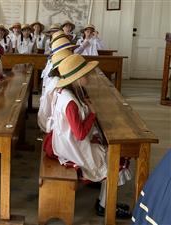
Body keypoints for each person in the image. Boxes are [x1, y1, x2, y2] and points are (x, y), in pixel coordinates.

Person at [44, 54, 132, 219]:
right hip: (71, 147)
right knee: (114, 159)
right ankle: (105, 206)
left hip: (65, 141)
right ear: (76, 78)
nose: (89, 75)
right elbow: (80, 134)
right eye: (86, 73)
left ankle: (106, 201)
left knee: (108, 151)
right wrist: (92, 114)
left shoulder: (66, 91)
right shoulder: (70, 102)